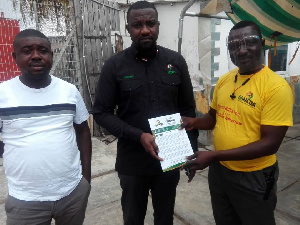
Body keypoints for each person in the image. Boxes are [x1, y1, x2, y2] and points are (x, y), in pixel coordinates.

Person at [92, 1, 198, 224]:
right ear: (129, 28)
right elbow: (101, 112)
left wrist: (191, 151)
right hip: (132, 162)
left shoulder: (176, 62)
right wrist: (137, 135)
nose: (145, 29)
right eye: (137, 25)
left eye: (150, 23)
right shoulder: (115, 66)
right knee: (133, 218)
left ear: (158, 26)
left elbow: (188, 111)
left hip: (170, 158)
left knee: (164, 217)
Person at [180, 20, 293, 225]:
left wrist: (213, 155)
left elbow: (270, 144)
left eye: (249, 42)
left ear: (262, 44)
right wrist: (194, 122)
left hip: (254, 176)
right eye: (233, 45)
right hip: (220, 172)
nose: (241, 50)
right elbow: (213, 118)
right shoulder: (225, 80)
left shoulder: (276, 87)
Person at [0, 29, 92, 225]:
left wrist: (86, 177)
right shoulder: (3, 94)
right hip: (25, 200)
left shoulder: (69, 91)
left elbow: (83, 131)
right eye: (27, 51)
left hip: (72, 192)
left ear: (51, 55)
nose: (36, 56)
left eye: (43, 50)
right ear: (15, 56)